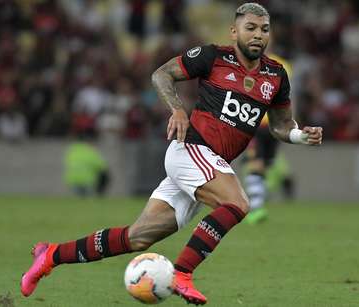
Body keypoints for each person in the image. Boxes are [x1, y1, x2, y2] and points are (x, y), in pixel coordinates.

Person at [20, 3, 323, 305]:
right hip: (192, 149)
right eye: (251, 28)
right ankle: (182, 273)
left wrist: (299, 135)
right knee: (238, 203)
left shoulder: (276, 75)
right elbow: (161, 75)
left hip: (210, 165)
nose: (258, 35)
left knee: (138, 236)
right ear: (235, 31)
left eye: (264, 29)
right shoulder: (213, 57)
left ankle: (51, 256)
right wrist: (177, 109)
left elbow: (281, 125)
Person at [243, 53, 294, 224]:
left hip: (260, 123)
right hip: (269, 125)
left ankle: (257, 206)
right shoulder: (283, 65)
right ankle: (257, 206)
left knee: (259, 164)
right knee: (260, 163)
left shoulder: (249, 64)